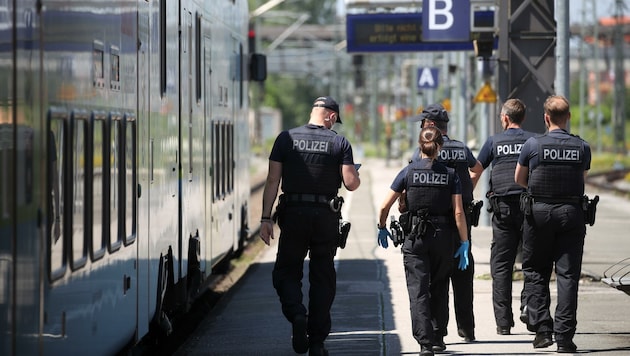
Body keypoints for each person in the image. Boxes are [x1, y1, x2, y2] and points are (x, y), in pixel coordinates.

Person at [259, 96, 360, 356]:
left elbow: (272, 181)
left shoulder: (285, 138)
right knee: (323, 278)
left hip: (293, 215)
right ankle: (316, 342)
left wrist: (265, 219)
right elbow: (350, 183)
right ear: (331, 116)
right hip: (326, 217)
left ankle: (296, 314)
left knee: (286, 272)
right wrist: (354, 173)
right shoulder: (339, 142)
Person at [377, 126, 470, 356]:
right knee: (440, 286)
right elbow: (458, 212)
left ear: (420, 145)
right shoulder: (450, 174)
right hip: (443, 237)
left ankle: (425, 343)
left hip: (415, 238)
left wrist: (381, 227)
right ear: (440, 147)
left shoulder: (408, 172)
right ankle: (438, 337)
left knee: (418, 290)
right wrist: (464, 242)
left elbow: (384, 206)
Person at [515, 95, 591, 353]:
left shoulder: (533, 145)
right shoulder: (582, 147)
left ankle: (542, 331)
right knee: (568, 276)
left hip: (539, 214)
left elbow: (520, 179)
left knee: (536, 270)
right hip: (572, 213)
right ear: (568, 117)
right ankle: (565, 338)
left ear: (546, 117)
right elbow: (582, 180)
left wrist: (540, 194)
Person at [410, 104, 483, 342]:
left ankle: (437, 330)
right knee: (463, 273)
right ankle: (467, 328)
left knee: (437, 279)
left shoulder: (423, 149)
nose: (421, 126)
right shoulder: (462, 148)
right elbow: (478, 168)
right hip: (461, 220)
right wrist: (465, 191)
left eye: (423, 123)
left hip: (437, 221)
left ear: (430, 126)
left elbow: (414, 176)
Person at [476, 98, 535, 335]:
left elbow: (475, 172)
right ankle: (529, 308)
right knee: (532, 263)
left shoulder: (494, 142)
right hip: (530, 210)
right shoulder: (533, 141)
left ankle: (503, 323)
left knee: (501, 266)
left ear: (505, 118)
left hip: (502, 212)